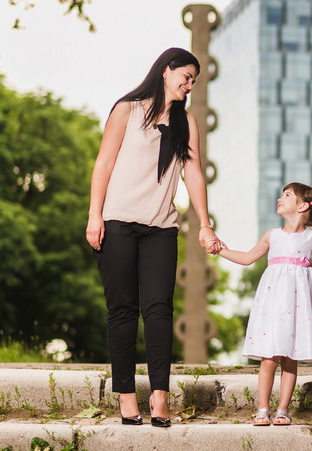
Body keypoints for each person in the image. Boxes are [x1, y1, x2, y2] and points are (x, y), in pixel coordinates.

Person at [85, 47, 223, 428]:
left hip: (161, 228)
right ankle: (126, 396)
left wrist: (205, 223)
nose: (190, 85)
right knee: (123, 310)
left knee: (159, 310)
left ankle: (159, 396)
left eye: (194, 81)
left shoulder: (186, 123)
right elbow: (104, 163)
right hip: (117, 223)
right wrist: (95, 214)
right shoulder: (126, 110)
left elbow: (193, 174)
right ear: (166, 70)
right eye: (186, 76)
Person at [209, 182, 312, 425]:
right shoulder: (272, 236)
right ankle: (263, 409)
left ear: (303, 206)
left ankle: (282, 410)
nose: (279, 198)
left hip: (298, 305)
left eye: (287, 195)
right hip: (273, 303)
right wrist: (219, 250)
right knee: (269, 357)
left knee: (289, 357)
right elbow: (247, 258)